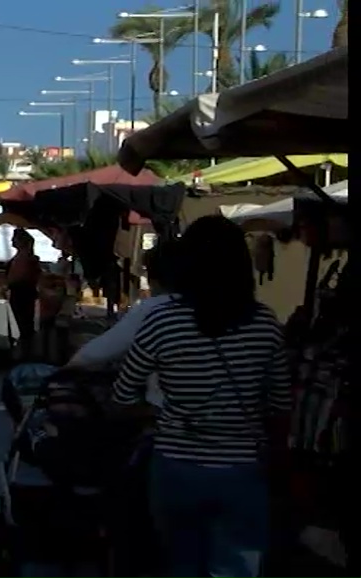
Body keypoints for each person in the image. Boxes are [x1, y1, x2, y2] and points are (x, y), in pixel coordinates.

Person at [111, 215, 292, 578]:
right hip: (243, 473)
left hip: (176, 467)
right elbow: (280, 407)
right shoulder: (265, 324)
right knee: (236, 570)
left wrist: (161, 415)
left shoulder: (162, 322)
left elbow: (122, 396)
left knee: (181, 565)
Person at [64, 240, 181, 407]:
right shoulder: (214, 306)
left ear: (155, 279)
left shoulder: (155, 309)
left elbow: (96, 353)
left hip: (168, 415)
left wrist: (65, 371)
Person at [6, 229, 42, 358]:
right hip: (19, 292)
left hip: (22, 294)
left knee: (23, 323)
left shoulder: (26, 258)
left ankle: (25, 353)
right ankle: (23, 351)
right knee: (21, 323)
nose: (11, 241)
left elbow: (22, 277)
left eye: (14, 238)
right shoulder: (22, 256)